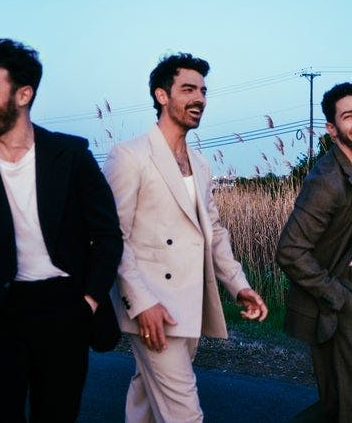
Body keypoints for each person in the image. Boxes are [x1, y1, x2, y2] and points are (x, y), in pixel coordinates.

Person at [0, 38, 123, 422]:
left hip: (63, 310)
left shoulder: (71, 155)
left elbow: (108, 235)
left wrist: (89, 302)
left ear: (23, 94)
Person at [103, 53, 268, 423]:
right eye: (188, 89)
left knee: (147, 400)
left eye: (203, 91)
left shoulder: (201, 164)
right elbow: (114, 237)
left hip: (190, 304)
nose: (199, 99)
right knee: (184, 413)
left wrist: (239, 286)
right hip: (154, 308)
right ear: (162, 95)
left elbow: (214, 233)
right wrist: (141, 303)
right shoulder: (129, 156)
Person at [276, 82, 352, 422]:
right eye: (348, 116)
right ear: (332, 129)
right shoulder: (326, 180)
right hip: (342, 292)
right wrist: (339, 296)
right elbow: (290, 250)